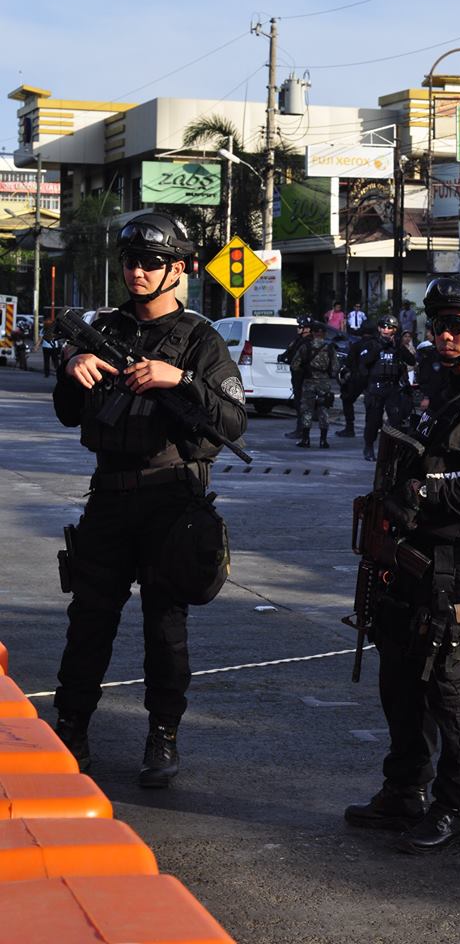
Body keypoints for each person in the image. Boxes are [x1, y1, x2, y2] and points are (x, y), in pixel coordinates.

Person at [51, 211, 247, 787]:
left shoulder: (201, 340)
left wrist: (178, 379)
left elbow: (233, 423)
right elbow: (68, 413)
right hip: (109, 495)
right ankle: (72, 728)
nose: (138, 272)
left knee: (165, 626)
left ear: (178, 269)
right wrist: (73, 366)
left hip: (172, 502)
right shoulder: (101, 328)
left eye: (153, 263)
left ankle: (163, 736)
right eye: (132, 261)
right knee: (89, 620)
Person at [344, 273, 460, 853]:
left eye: (458, 325)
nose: (445, 335)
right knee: (400, 684)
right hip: (407, 560)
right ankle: (404, 792)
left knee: (450, 691)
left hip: (456, 569)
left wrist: (422, 493)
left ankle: (455, 808)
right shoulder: (445, 388)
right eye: (438, 324)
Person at [359, 314, 416, 461]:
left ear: (395, 330)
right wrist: (379, 347)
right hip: (375, 389)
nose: (386, 330)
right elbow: (364, 362)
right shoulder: (371, 343)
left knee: (396, 421)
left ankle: (393, 451)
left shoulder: (397, 345)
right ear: (379, 328)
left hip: (393, 388)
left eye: (390, 327)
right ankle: (369, 447)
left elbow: (411, 360)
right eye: (383, 327)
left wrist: (399, 347)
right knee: (373, 421)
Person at [290, 321, 337, 448]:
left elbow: (294, 365)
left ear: (313, 333)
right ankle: (323, 440)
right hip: (324, 382)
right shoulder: (330, 348)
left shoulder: (305, 347)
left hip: (309, 381)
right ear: (324, 334)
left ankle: (306, 439)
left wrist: (304, 370)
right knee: (324, 410)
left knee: (307, 410)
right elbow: (335, 368)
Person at [278, 316, 313, 439]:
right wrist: (283, 357)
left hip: (304, 377)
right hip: (297, 376)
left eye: (300, 327)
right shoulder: (298, 340)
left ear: (307, 329)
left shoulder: (308, 342)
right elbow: (290, 352)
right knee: (299, 403)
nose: (298, 329)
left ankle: (302, 431)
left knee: (303, 405)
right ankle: (301, 430)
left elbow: (301, 359)